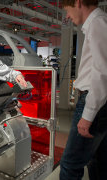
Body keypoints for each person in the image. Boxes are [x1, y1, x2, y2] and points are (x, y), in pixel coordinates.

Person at [60, 0, 107, 179]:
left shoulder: (97, 23)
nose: (67, 16)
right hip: (100, 104)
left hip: (93, 103)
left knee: (70, 166)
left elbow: (102, 74)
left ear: (78, 2)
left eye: (67, 9)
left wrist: (88, 115)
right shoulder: (98, 23)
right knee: (99, 161)